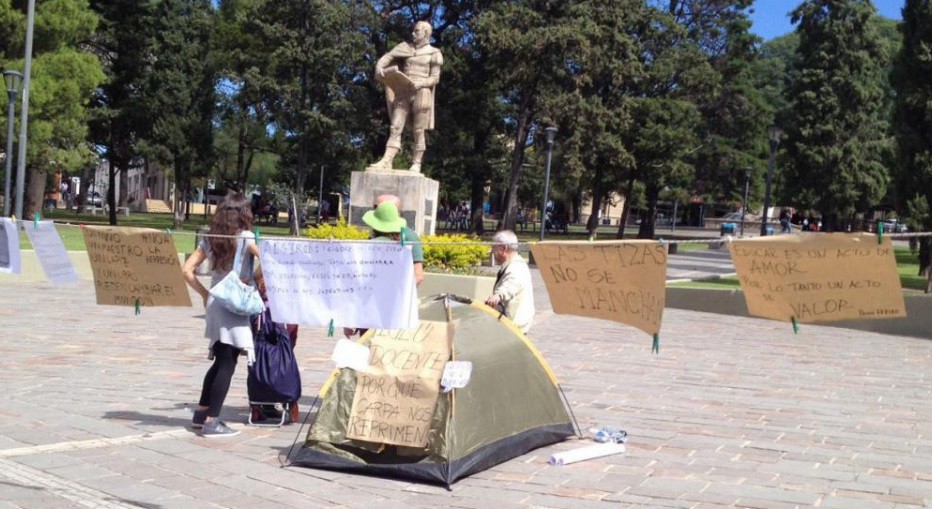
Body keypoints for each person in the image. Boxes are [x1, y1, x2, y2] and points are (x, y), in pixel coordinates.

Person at [182, 192, 263, 438]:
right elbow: (269, 260)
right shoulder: (246, 237)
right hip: (234, 305)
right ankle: (212, 421)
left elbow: (187, 270)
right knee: (227, 363)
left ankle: (201, 413)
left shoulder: (211, 238)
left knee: (220, 359)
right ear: (244, 213)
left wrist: (205, 294)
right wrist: (253, 279)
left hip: (215, 301)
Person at [368, 21, 443, 173]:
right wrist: (379, 66)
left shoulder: (434, 53)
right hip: (403, 90)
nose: (413, 34)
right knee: (395, 126)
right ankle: (387, 160)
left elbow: (435, 78)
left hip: (422, 92)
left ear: (426, 33)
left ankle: (416, 163)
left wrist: (421, 83)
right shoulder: (405, 48)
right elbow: (388, 56)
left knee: (418, 130)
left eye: (417, 31)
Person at [344, 197, 424, 338]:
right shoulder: (402, 246)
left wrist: (353, 317)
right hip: (396, 314)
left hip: (370, 312)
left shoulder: (366, 247)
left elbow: (358, 283)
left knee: (369, 348)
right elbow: (417, 276)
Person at [484, 230, 535, 334]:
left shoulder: (516, 267)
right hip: (511, 326)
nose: (492, 251)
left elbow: (511, 285)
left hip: (514, 329)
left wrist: (498, 295)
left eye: (494, 247)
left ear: (503, 248)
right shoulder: (513, 264)